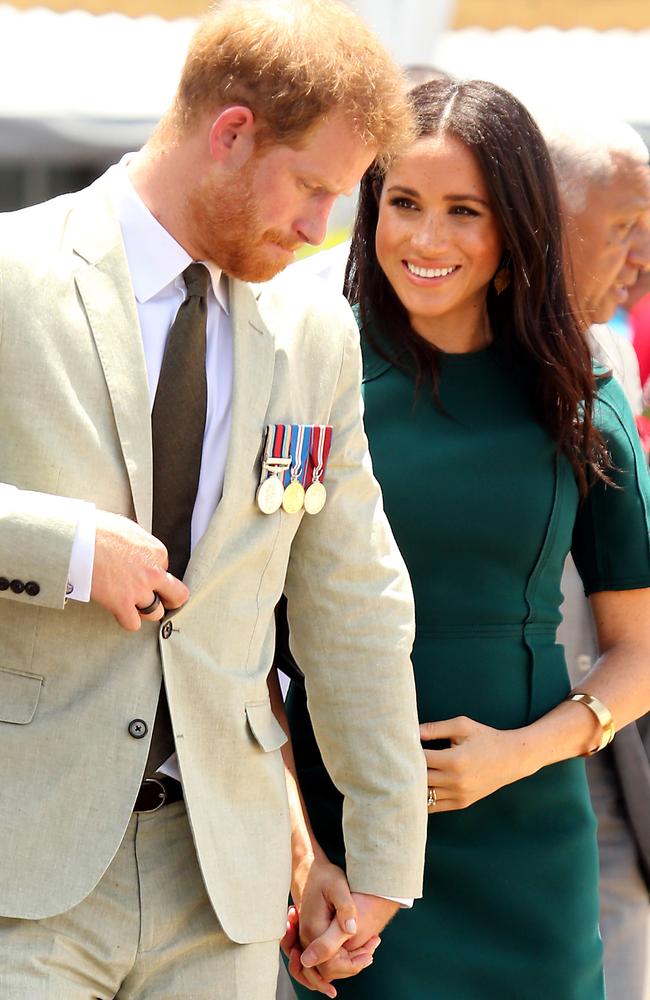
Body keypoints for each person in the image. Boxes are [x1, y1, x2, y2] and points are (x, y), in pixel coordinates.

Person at [0, 3, 430, 998]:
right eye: (313, 186)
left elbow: (354, 606)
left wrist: (372, 861)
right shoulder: (14, 275)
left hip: (222, 889)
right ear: (231, 131)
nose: (322, 228)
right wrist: (57, 547)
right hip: (23, 873)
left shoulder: (316, 333)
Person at [282, 78, 650, 998]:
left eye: (464, 211)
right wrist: (301, 856)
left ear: (515, 225)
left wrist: (523, 752)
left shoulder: (581, 394)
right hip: (354, 859)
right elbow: (239, 647)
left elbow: (640, 650)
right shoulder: (301, 379)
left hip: (531, 854)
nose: (426, 239)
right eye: (403, 204)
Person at [542, 115, 650, 1000]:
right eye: (623, 227)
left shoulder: (608, 351)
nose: (639, 256)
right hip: (489, 755)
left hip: (609, 743)